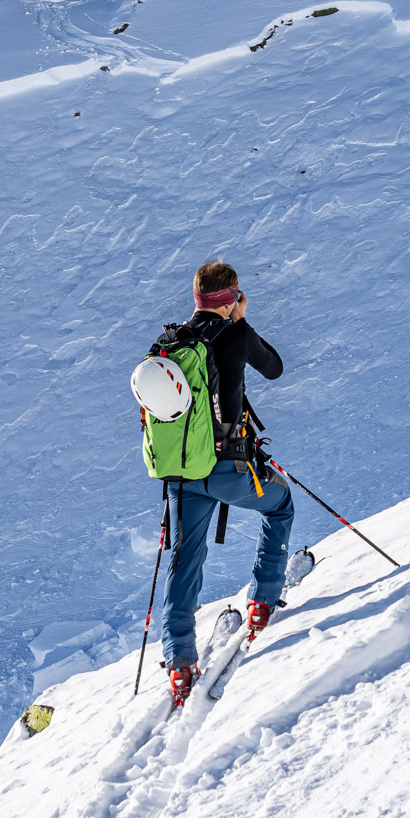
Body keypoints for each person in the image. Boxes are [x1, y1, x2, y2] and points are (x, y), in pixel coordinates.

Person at [161, 260, 293, 703]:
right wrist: (242, 321)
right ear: (232, 297)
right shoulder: (236, 334)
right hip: (226, 471)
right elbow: (273, 367)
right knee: (280, 504)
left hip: (181, 475)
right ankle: (262, 602)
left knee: (185, 559)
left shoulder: (170, 343)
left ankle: (180, 661)